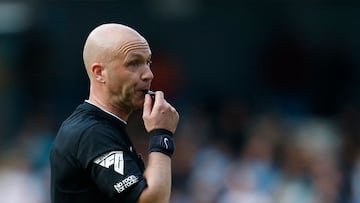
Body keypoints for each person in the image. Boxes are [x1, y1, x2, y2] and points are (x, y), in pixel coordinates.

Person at [50, 23, 179, 203]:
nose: (148, 74)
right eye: (134, 63)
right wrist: (161, 135)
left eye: (147, 62)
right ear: (100, 73)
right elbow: (151, 199)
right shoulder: (92, 134)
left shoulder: (102, 128)